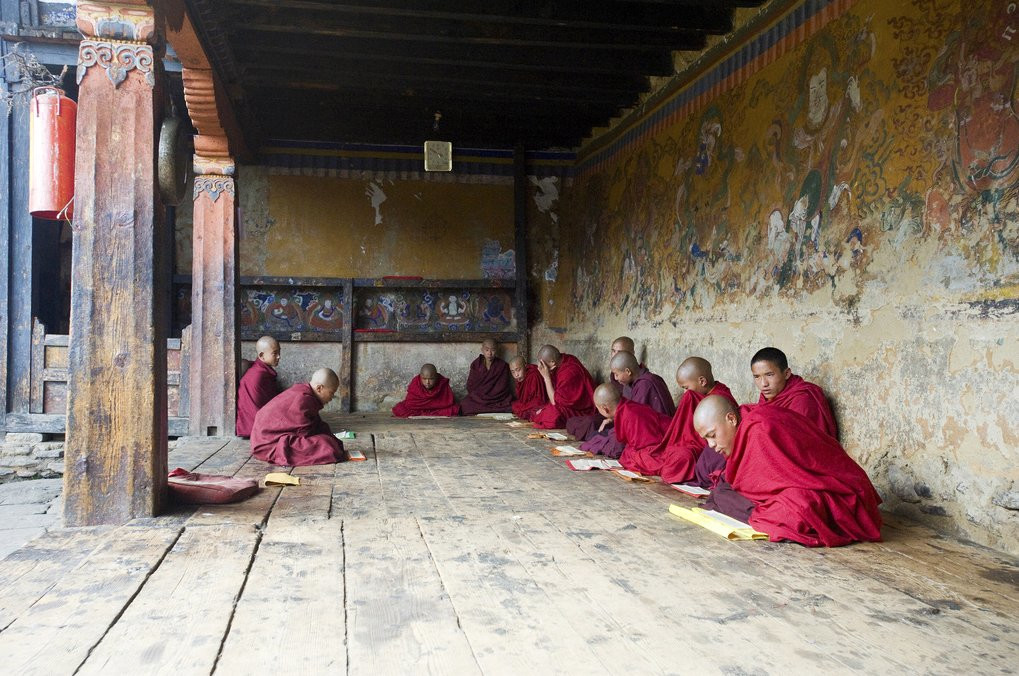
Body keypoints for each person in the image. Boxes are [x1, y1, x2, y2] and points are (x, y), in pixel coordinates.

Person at [692, 395, 882, 547]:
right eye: (706, 439)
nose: (712, 445)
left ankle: (766, 515)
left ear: (731, 419)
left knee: (800, 506)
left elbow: (799, 478)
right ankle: (765, 513)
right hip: (794, 485)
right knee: (721, 491)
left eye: (712, 435)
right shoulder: (743, 426)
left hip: (837, 490)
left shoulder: (760, 428)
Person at [645, 357, 739, 483]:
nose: (685, 393)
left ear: (702, 381)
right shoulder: (703, 395)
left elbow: (708, 438)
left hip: (717, 447)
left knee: (680, 457)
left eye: (686, 387)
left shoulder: (716, 398)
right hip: (709, 445)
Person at [580, 351, 675, 458]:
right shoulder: (644, 381)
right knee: (598, 435)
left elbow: (636, 419)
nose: (615, 378)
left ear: (628, 371)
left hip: (655, 432)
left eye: (617, 374)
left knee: (606, 441)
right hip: (651, 426)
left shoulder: (645, 385)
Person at [250, 368, 344, 466]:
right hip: (269, 443)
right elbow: (304, 433)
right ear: (319, 388)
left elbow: (314, 424)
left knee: (328, 439)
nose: (332, 398)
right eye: (331, 393)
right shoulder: (304, 399)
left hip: (265, 438)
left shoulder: (305, 392)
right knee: (328, 448)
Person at [747, 347, 838, 438]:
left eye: (769, 375)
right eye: (757, 377)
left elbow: (804, 442)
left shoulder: (803, 399)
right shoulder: (766, 397)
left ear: (786, 374)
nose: (763, 384)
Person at [589, 384, 672, 477]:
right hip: (660, 438)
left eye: (598, 408)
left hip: (669, 440)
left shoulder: (629, 414)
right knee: (628, 453)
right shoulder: (626, 407)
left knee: (634, 457)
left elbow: (652, 447)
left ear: (605, 408)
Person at [566, 336, 636, 440]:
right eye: (613, 351)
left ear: (631, 353)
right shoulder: (615, 372)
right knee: (573, 421)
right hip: (610, 412)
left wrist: (614, 418)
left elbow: (634, 411)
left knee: (592, 425)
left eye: (619, 352)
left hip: (623, 417)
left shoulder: (633, 376)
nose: (615, 355)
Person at [531, 344, 595, 429]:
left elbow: (555, 402)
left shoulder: (569, 372)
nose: (542, 367)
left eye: (543, 364)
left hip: (583, 410)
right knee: (538, 409)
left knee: (552, 415)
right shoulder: (564, 360)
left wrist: (546, 378)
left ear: (552, 362)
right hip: (565, 403)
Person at [236, 335, 282, 438]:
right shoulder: (258, 375)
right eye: (275, 353)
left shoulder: (261, 369)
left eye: (279, 352)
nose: (279, 356)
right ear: (262, 355)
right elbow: (268, 406)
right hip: (255, 425)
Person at [459, 338, 513, 415]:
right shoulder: (476, 364)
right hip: (478, 399)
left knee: (511, 404)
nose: (490, 353)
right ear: (482, 350)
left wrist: (489, 398)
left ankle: (485, 408)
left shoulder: (503, 366)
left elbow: (502, 387)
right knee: (464, 404)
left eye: (493, 350)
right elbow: (470, 385)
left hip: (496, 399)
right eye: (487, 350)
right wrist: (480, 397)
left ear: (497, 350)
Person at [392, 363, 460, 417]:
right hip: (418, 409)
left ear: (436, 377)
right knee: (400, 409)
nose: (427, 382)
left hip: (438, 409)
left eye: (431, 379)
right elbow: (410, 404)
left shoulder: (442, 383)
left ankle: (428, 413)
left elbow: (448, 402)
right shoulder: (416, 383)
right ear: (420, 377)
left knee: (454, 409)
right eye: (424, 379)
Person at [509, 355, 547, 420]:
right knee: (514, 405)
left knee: (525, 411)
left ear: (525, 366)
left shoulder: (534, 375)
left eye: (518, 370)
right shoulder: (521, 377)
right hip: (527, 404)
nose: (516, 375)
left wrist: (523, 407)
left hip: (537, 404)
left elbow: (539, 400)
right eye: (513, 372)